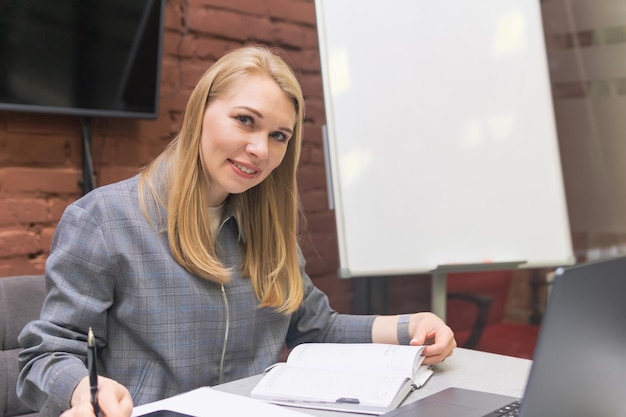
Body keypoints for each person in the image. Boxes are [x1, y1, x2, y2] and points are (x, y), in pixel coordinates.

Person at [17, 45, 456, 417]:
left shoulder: (266, 227)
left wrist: (412, 326)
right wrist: (84, 389)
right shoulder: (104, 220)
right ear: (201, 112)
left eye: (279, 135)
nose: (260, 150)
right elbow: (47, 353)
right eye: (245, 120)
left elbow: (315, 327)